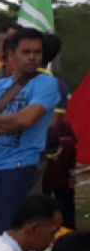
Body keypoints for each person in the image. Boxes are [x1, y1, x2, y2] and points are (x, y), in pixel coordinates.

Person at [0, 28, 63, 251]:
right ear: (12, 55)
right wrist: (6, 123)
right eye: (26, 52)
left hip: (19, 166)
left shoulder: (46, 84)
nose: (32, 57)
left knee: (3, 230)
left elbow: (26, 120)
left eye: (37, 52)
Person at [44, 88, 78, 230]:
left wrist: (71, 176)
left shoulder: (64, 129)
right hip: (43, 176)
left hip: (61, 174)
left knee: (66, 205)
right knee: (42, 206)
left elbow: (72, 155)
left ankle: (68, 230)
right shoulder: (37, 124)